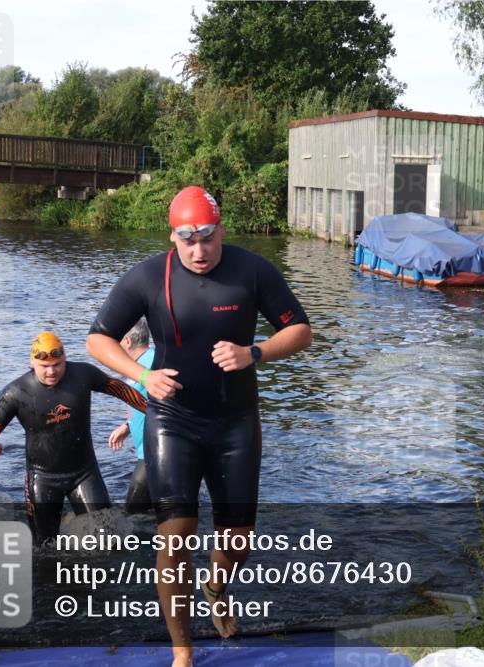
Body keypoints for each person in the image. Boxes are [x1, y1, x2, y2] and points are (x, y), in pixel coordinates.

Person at [86, 185, 312, 665]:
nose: (199, 250)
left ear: (220, 230)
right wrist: (143, 375)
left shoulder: (252, 270)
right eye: (187, 239)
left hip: (236, 423)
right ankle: (183, 650)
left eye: (207, 238)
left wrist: (254, 352)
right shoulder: (148, 276)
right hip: (172, 422)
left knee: (238, 541)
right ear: (173, 236)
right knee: (176, 536)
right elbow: (97, 340)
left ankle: (216, 585)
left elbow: (301, 331)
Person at [0, 332, 147, 545]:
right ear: (32, 363)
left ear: (65, 358)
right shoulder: (16, 392)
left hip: (85, 473)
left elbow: (120, 389)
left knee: (107, 536)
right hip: (42, 478)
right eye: (44, 366)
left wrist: (153, 410)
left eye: (57, 364)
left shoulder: (83, 374)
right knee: (44, 545)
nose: (52, 371)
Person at [107, 318, 155, 514]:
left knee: (132, 515)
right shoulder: (137, 365)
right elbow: (148, 401)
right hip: (148, 452)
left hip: (154, 454)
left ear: (126, 341)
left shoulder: (152, 362)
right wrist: (127, 426)